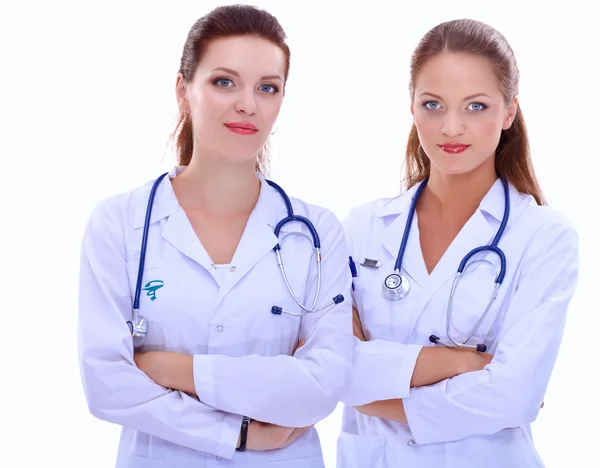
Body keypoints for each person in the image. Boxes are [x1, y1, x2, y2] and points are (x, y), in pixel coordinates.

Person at [77, 5, 353, 467]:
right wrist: (239, 432)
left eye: (268, 87)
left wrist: (170, 368)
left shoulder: (317, 232)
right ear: (184, 90)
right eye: (224, 82)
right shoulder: (119, 223)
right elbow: (106, 386)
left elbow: (322, 386)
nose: (248, 103)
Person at [336, 18, 579, 468]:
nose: (451, 127)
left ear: (509, 113)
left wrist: (371, 396)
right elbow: (327, 365)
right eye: (433, 104)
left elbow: (513, 396)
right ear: (412, 107)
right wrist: (462, 364)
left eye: (476, 106)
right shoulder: (363, 227)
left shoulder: (544, 237)